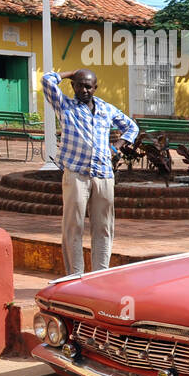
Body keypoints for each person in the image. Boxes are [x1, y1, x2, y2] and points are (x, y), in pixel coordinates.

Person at [42, 68, 140, 276]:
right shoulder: (65, 105)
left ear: (95, 87)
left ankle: (100, 275)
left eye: (88, 86)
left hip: (104, 174)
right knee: (73, 227)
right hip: (76, 174)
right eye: (79, 84)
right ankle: (75, 276)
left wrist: (117, 146)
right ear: (73, 86)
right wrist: (72, 73)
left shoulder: (106, 109)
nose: (84, 89)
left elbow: (132, 127)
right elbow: (47, 80)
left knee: (104, 227)